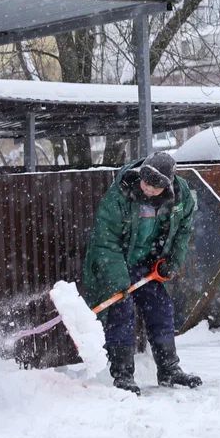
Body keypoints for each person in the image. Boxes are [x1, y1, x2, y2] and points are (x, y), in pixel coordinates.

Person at [82, 151, 202, 394]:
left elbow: (184, 231)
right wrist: (119, 280)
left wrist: (172, 262)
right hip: (116, 261)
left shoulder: (180, 196)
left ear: (167, 185)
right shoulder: (120, 195)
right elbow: (105, 242)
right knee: (122, 311)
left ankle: (169, 369)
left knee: (161, 308)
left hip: (147, 266)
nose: (147, 188)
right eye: (145, 181)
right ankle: (123, 375)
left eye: (154, 186)